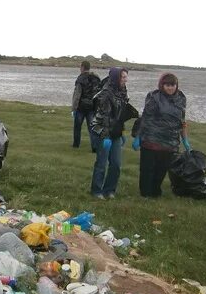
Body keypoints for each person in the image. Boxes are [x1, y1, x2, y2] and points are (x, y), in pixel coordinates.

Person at [131, 73, 190, 198]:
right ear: (162, 85)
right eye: (167, 85)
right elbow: (146, 118)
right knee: (148, 170)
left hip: (170, 143)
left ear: (176, 85)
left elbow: (182, 121)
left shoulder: (181, 99)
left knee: (161, 170)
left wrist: (185, 139)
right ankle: (145, 194)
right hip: (151, 141)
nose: (170, 88)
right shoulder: (154, 97)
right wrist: (138, 137)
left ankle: (155, 193)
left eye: (173, 85)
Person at [89, 67, 131, 199]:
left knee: (116, 163)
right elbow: (105, 116)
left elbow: (121, 115)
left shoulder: (123, 91)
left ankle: (110, 189)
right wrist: (106, 136)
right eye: (123, 77)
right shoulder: (106, 93)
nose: (125, 80)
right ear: (116, 78)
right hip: (102, 130)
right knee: (101, 163)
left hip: (116, 131)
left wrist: (122, 132)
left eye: (126, 77)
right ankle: (96, 190)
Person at [71, 61, 102, 151]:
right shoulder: (96, 78)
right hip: (92, 107)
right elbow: (99, 94)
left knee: (77, 127)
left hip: (81, 107)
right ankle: (95, 147)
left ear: (83, 67)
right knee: (92, 128)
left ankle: (76, 144)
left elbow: (77, 95)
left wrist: (74, 108)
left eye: (80, 67)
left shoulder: (80, 79)